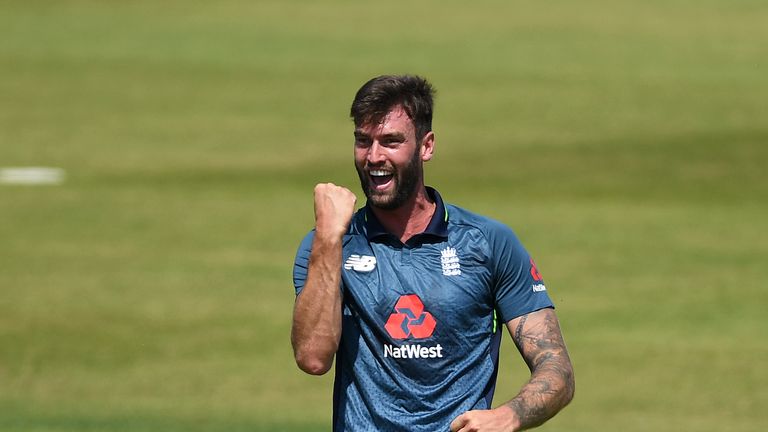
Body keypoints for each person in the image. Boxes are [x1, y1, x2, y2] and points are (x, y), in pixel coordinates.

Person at [291, 75, 574, 431]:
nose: (374, 157)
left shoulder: (488, 243)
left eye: (391, 142)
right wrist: (330, 240)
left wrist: (508, 416)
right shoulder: (327, 247)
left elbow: (557, 371)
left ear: (426, 147)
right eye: (363, 142)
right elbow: (313, 358)